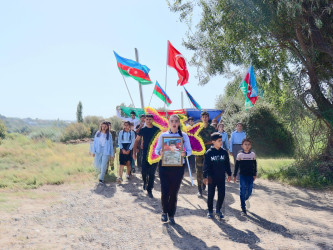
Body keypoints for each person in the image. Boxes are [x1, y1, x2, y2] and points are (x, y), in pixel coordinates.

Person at [155, 114, 192, 224]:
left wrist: (184, 153)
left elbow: (190, 151)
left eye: (176, 121)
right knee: (165, 190)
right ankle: (164, 212)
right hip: (164, 166)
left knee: (174, 191)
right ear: (169, 123)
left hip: (178, 166)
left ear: (179, 123)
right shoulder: (163, 135)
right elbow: (156, 150)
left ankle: (172, 215)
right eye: (172, 121)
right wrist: (160, 152)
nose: (174, 123)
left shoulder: (184, 136)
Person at [203, 132, 231, 219]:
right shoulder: (209, 153)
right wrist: (205, 177)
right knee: (211, 194)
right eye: (219, 141)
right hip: (211, 177)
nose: (221, 142)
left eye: (221, 141)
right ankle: (210, 211)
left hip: (221, 177)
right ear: (213, 142)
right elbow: (205, 166)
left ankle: (218, 210)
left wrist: (229, 174)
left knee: (221, 194)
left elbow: (227, 164)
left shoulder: (224, 152)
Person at [133, 114, 160, 198]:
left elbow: (161, 140)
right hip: (144, 153)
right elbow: (136, 140)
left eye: (150, 119)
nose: (148, 121)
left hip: (154, 154)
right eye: (147, 119)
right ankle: (145, 182)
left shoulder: (157, 130)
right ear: (144, 120)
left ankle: (149, 190)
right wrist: (134, 152)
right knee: (144, 172)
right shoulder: (143, 130)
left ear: (152, 120)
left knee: (152, 173)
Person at [233, 138, 257, 216]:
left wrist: (255, 173)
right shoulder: (240, 155)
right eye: (245, 144)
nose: (247, 146)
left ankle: (245, 199)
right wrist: (235, 175)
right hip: (242, 175)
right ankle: (243, 209)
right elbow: (236, 166)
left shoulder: (252, 154)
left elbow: (254, 165)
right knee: (242, 190)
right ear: (242, 146)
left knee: (249, 190)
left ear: (250, 146)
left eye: (248, 144)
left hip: (250, 175)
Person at [196, 111, 217, 197]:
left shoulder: (212, 128)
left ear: (208, 118)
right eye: (203, 117)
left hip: (209, 152)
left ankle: (206, 186)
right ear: (201, 118)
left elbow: (214, 140)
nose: (204, 118)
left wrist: (205, 143)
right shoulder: (198, 128)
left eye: (206, 117)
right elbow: (194, 138)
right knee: (199, 171)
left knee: (209, 171)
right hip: (199, 152)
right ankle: (199, 190)